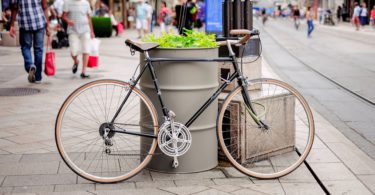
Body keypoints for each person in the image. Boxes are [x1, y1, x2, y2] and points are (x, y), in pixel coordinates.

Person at [9, 0, 50, 83]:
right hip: (39, 22)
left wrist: (12, 25)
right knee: (38, 50)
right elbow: (44, 7)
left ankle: (30, 65)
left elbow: (14, 8)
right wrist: (47, 25)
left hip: (25, 23)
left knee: (25, 47)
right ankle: (38, 77)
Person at [62, 0, 95, 79]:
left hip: (85, 30)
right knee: (73, 51)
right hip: (73, 30)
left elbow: (89, 18)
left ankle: (83, 72)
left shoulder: (86, 3)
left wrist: (92, 31)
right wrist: (68, 21)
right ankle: (76, 61)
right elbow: (63, 16)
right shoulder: (67, 2)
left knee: (86, 50)